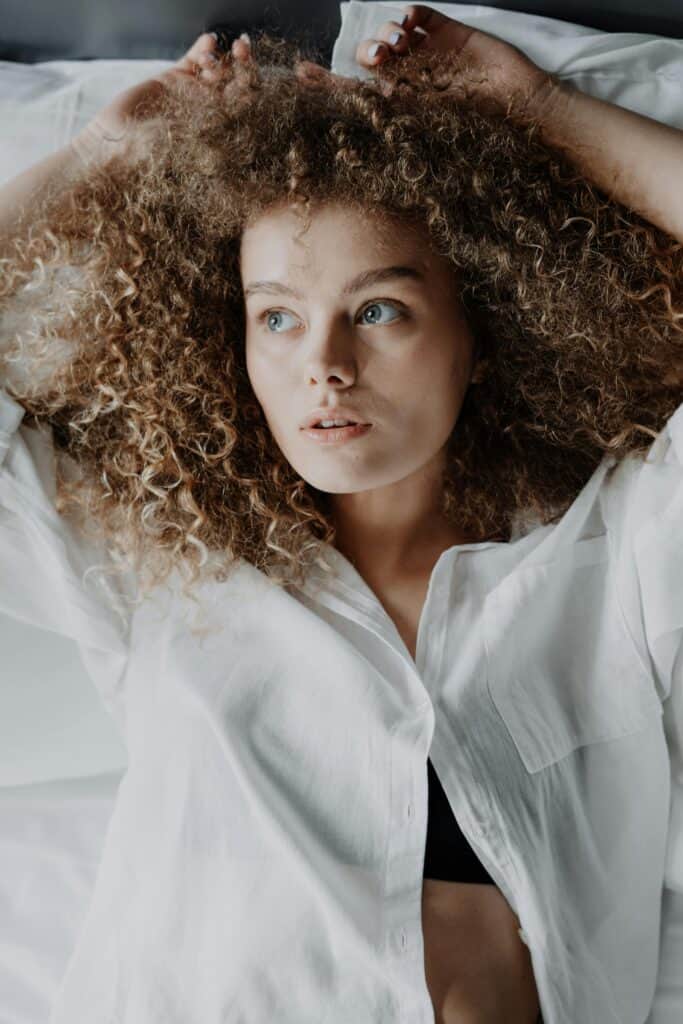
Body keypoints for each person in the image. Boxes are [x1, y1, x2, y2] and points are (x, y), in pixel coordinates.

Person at [0, 6, 681, 1022]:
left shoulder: (607, 554)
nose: (323, 363)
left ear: (484, 327)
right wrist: (103, 152)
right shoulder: (159, 564)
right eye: (275, 315)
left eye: (377, 310)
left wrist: (542, 110)